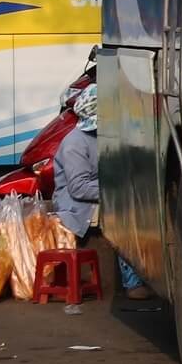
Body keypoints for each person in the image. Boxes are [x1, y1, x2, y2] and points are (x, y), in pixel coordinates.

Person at [53, 84, 148, 298]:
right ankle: (132, 282)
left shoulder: (103, 137)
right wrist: (116, 190)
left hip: (100, 195)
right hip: (78, 207)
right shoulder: (75, 144)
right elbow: (79, 188)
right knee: (122, 216)